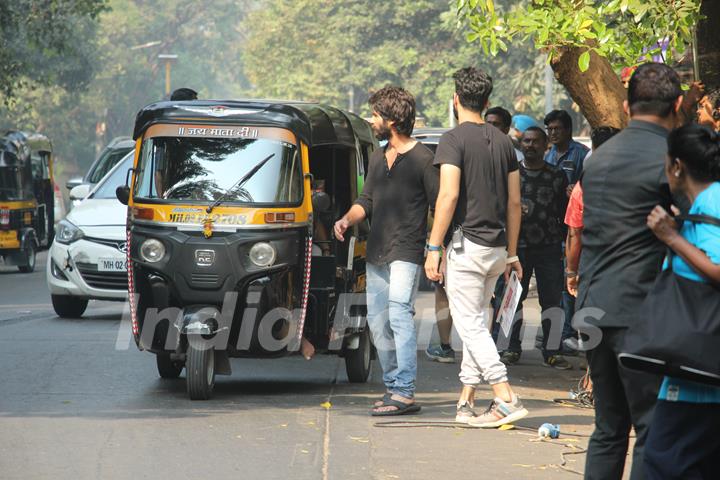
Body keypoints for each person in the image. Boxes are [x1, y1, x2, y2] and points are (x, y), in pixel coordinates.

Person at [577, 62, 685, 480]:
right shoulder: (670, 161)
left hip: (592, 307)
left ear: (626, 107)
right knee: (652, 428)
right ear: (677, 105)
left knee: (608, 428)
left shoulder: (598, 159)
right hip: (639, 313)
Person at [425, 67, 528, 428]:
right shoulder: (505, 143)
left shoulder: (452, 139)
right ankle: (466, 401)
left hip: (467, 246)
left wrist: (433, 245)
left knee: (469, 324)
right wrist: (513, 253)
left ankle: (504, 396)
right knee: (477, 324)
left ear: (456, 100)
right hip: (499, 249)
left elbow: (449, 194)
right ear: (486, 102)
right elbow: (515, 203)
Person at [334, 85, 437, 416]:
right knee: (378, 323)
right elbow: (367, 200)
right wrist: (347, 220)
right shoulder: (378, 155)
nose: (372, 119)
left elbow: (440, 207)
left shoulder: (424, 159)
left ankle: (405, 391)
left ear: (391, 120)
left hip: (406, 251)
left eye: (376, 114)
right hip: (376, 251)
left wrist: (437, 248)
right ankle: (393, 387)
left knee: (399, 316)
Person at [643, 124, 720, 479]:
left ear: (677, 166)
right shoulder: (702, 206)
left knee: (661, 465)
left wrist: (671, 238)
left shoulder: (712, 202)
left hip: (699, 382)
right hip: (697, 373)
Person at [497, 126, 570, 369]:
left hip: (549, 248)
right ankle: (511, 348)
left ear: (545, 144)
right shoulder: (513, 173)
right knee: (512, 299)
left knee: (551, 301)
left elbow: (564, 214)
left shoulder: (557, 175)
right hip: (518, 248)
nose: (530, 145)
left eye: (535, 141)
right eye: (526, 141)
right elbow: (501, 209)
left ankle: (552, 350)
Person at [562, 126, 620, 351]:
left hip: (593, 261)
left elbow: (575, 233)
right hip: (629, 262)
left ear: (594, 148)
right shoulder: (636, 180)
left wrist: (571, 271)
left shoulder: (584, 185)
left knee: (591, 320)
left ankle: (592, 375)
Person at [544, 109, 589, 188]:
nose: (553, 133)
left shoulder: (583, 153)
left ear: (568, 130)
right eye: (550, 129)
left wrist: (576, 188)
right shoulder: (547, 155)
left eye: (557, 128)